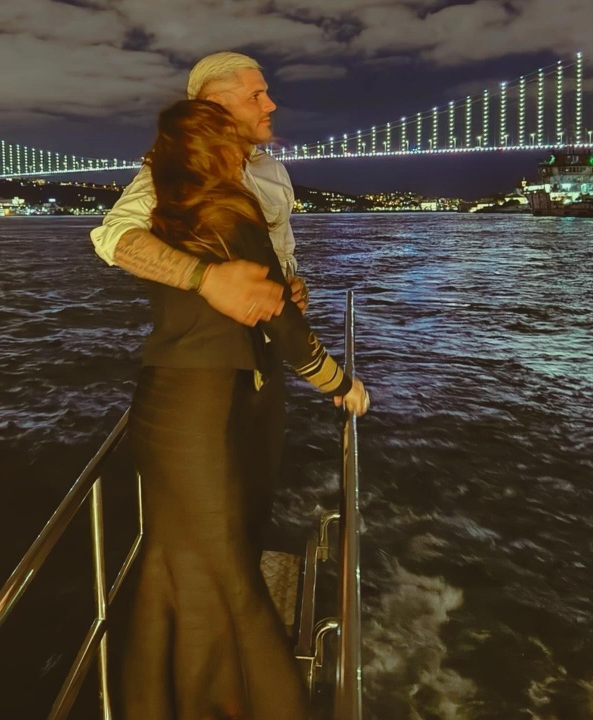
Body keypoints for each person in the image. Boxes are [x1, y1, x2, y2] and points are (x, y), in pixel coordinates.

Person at [121, 98, 369, 720]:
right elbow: (281, 321)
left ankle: (175, 703)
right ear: (218, 150)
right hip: (203, 411)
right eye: (235, 144)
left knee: (169, 569)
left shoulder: (168, 211)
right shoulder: (232, 211)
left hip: (160, 403)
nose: (245, 154)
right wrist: (339, 382)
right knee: (231, 577)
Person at [90, 51, 308, 327]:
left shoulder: (274, 171)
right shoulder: (172, 169)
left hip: (273, 344)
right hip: (213, 347)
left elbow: (284, 253)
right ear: (216, 105)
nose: (271, 105)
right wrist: (207, 279)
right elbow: (114, 237)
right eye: (255, 96)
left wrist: (292, 287)